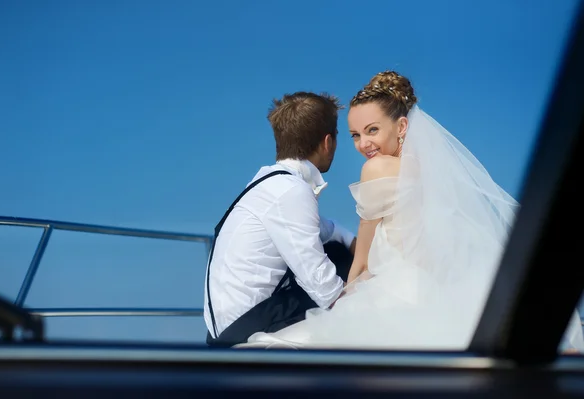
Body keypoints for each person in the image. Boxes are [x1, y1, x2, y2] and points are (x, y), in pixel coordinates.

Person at [236, 71, 584, 352]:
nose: (362, 144)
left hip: (392, 290)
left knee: (276, 352)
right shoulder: (430, 172)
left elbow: (364, 260)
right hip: (430, 289)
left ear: (401, 127)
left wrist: (342, 300)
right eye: (355, 135)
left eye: (372, 130)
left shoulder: (376, 170)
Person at [203, 91, 357, 348]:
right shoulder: (291, 190)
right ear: (328, 142)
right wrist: (369, 306)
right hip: (242, 327)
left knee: (339, 250)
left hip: (229, 323)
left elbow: (327, 230)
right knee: (341, 261)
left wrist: (367, 251)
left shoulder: (271, 183)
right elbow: (319, 280)